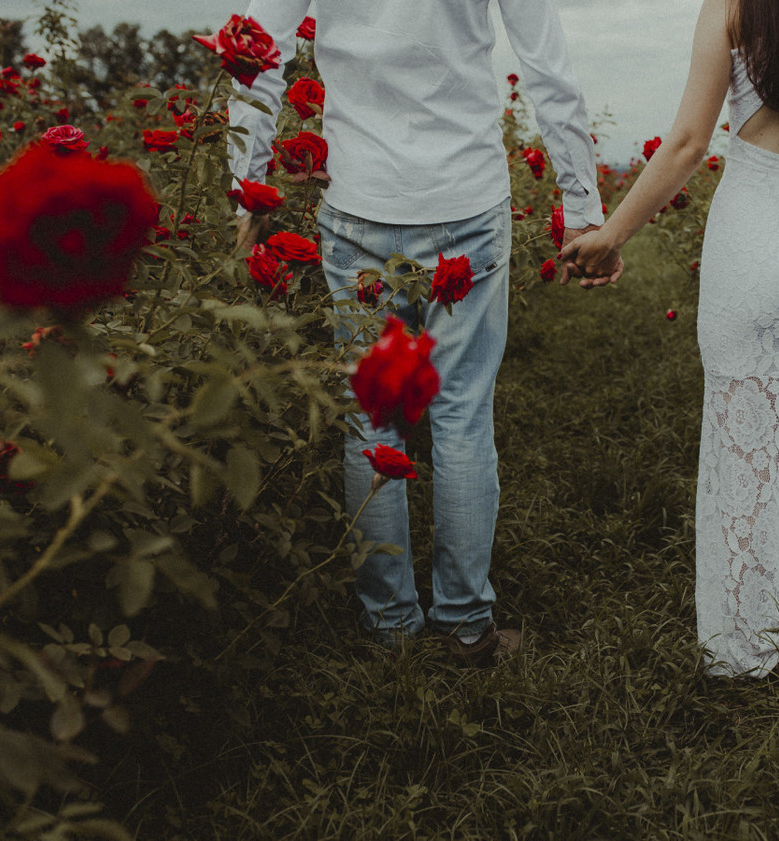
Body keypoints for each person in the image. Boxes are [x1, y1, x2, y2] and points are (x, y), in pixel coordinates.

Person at [227, 0, 619, 664]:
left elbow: (255, 48)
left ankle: (389, 628)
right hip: (464, 199)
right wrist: (581, 204)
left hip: (360, 204)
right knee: (461, 413)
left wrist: (245, 187)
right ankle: (466, 626)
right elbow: (546, 64)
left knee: (373, 417)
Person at [563, 0, 779, 678]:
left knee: (744, 438)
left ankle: (748, 641)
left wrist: (613, 233)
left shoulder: (734, 4)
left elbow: (689, 142)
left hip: (752, 238)